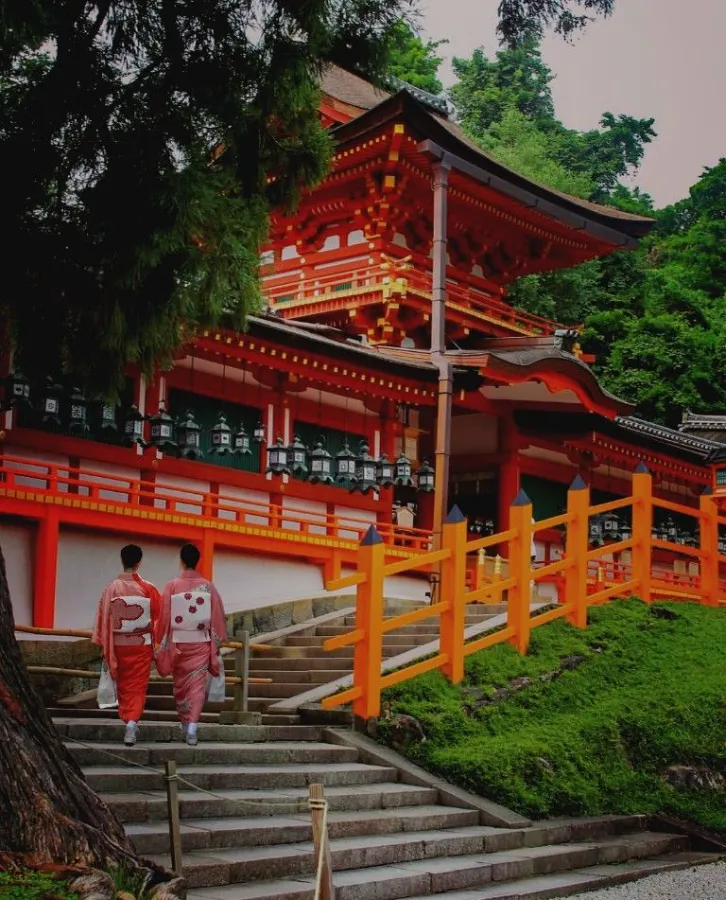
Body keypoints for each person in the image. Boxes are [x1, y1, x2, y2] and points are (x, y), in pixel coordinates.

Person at [155, 543, 227, 746]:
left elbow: (165, 615)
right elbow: (217, 617)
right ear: (198, 561)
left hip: (179, 642)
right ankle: (192, 728)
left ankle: (186, 724)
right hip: (200, 642)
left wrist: (159, 637)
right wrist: (217, 643)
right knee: (196, 685)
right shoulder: (208, 586)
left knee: (180, 685)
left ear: (182, 561)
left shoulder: (172, 585)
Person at [92, 544, 161, 746]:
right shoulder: (148, 587)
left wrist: (105, 643)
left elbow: (104, 618)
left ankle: (128, 721)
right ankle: (131, 724)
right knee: (137, 686)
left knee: (123, 684)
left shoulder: (111, 588)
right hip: (140, 644)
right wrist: (154, 638)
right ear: (139, 563)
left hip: (118, 644)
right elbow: (160, 616)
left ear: (123, 561)